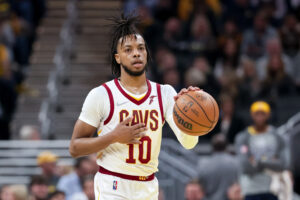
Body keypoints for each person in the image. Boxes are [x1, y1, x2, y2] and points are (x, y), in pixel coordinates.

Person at [69, 14, 199, 200]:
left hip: (148, 186)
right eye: (128, 50)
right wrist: (114, 136)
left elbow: (188, 143)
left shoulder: (166, 93)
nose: (136, 53)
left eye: (140, 48)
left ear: (146, 54)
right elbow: (75, 147)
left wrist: (192, 116)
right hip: (113, 184)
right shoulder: (101, 95)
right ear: (118, 58)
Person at [235, 101, 288, 200]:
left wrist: (258, 161)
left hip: (273, 188)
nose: (259, 117)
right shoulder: (243, 137)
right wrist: (271, 161)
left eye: (262, 114)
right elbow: (245, 167)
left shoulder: (277, 136)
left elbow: (282, 164)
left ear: (268, 115)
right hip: (251, 188)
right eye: (257, 114)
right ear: (252, 115)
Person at [197, 134, 239, 200]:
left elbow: (200, 186)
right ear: (226, 146)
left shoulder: (204, 164)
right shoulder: (235, 162)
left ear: (212, 147)